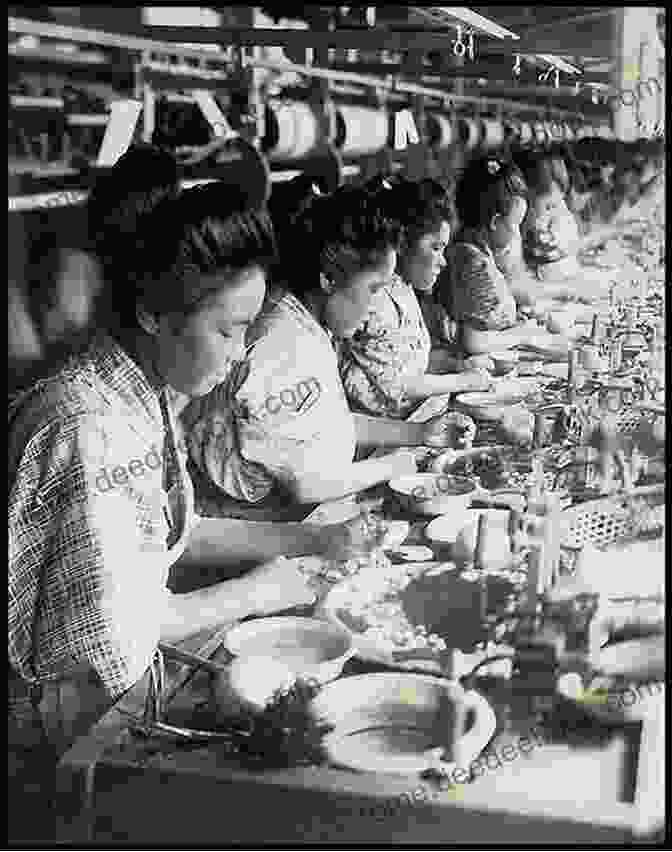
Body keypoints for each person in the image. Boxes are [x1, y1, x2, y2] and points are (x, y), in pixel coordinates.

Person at [8, 147, 388, 841]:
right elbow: (113, 637)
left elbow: (166, 532)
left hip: (102, 704)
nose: (243, 352)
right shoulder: (90, 430)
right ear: (155, 311)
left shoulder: (138, 395)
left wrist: (309, 540)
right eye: (231, 329)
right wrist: (255, 595)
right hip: (52, 753)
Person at [181, 180, 474, 518]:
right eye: (373, 288)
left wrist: (420, 433)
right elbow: (307, 485)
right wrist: (398, 464)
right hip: (251, 521)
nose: (374, 303)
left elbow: (328, 423)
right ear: (329, 280)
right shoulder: (284, 343)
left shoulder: (306, 323)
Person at [337, 176, 490, 419]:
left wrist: (456, 365)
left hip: (413, 419)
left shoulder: (403, 288)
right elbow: (399, 385)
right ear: (404, 243)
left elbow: (409, 361)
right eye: (436, 248)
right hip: (384, 435)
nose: (443, 261)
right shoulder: (375, 299)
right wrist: (464, 381)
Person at [439, 155, 563, 356]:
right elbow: (474, 343)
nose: (518, 234)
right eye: (515, 224)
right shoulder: (473, 263)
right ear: (495, 222)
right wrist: (520, 334)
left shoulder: (474, 252)